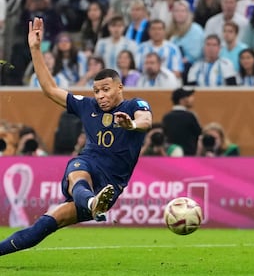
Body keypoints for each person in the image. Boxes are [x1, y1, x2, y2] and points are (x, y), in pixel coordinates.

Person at [0, 17, 152, 257]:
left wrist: (131, 124)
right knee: (79, 172)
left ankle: (92, 202)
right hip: (88, 165)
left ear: (119, 87)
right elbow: (50, 89)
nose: (100, 95)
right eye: (97, 91)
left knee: (45, 225)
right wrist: (35, 49)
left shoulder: (134, 105)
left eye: (106, 89)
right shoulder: (86, 105)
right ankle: (92, 202)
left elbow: (146, 121)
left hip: (111, 185)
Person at [162, 87, 202, 156]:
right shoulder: (190, 116)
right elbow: (199, 133)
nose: (192, 99)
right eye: (189, 96)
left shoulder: (166, 117)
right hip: (189, 156)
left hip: (171, 154)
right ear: (182, 100)